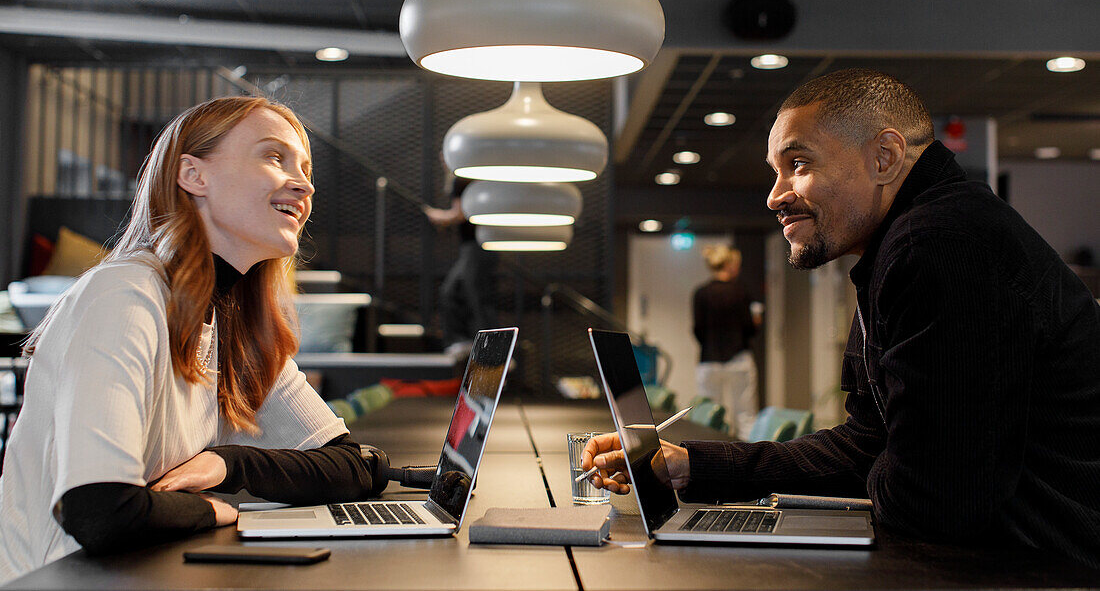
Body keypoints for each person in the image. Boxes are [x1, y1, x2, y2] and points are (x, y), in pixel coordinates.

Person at [584, 69, 1100, 568]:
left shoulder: (941, 245)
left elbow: (938, 501)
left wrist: (878, 465)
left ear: (885, 157)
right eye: (776, 171)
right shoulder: (901, 248)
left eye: (799, 165)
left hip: (1050, 569)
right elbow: (866, 444)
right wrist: (691, 464)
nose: (775, 195)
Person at [0, 97, 390, 583]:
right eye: (274, 157)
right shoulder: (124, 295)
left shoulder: (237, 325)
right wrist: (221, 512)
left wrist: (228, 466)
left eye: (305, 168)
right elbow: (98, 510)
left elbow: (350, 466)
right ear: (193, 175)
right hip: (58, 578)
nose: (305, 183)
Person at [423, 174, 497, 351]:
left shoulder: (462, 178)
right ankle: (463, 341)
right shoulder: (471, 177)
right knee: (454, 292)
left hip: (477, 246)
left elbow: (461, 213)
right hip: (480, 245)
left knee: (473, 295)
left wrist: (439, 216)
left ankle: (489, 347)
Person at [691, 245, 758, 438]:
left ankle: (707, 457)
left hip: (709, 361)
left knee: (709, 416)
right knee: (745, 415)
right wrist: (756, 323)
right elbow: (749, 328)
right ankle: (751, 462)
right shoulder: (741, 292)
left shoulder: (701, 293)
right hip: (739, 359)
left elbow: (698, 329)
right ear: (730, 265)